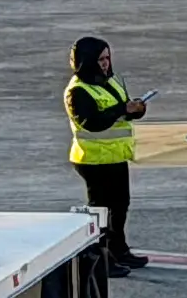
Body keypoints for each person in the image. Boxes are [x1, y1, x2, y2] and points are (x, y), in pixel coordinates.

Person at [65, 35, 154, 276]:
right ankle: (102, 260)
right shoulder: (78, 92)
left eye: (107, 58)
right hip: (93, 160)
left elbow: (120, 112)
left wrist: (136, 110)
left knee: (120, 206)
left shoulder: (110, 81)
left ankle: (118, 249)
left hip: (114, 156)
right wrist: (122, 109)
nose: (105, 63)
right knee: (101, 211)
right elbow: (92, 123)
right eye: (100, 59)